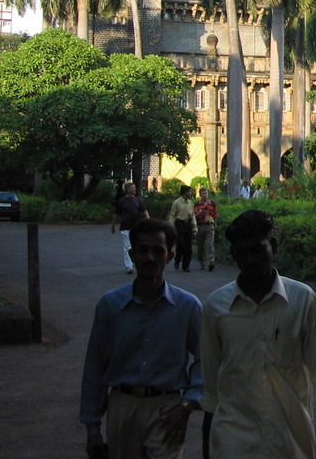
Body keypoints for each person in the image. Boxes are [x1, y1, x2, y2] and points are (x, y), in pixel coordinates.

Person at [201, 209, 316, 459]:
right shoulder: (216, 307)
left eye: (257, 250)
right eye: (241, 253)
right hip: (233, 442)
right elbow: (212, 386)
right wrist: (207, 441)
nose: (250, 260)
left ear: (274, 247)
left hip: (290, 441)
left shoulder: (302, 300)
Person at [80, 218, 203, 459]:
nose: (150, 258)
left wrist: (188, 404)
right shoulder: (110, 306)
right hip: (122, 406)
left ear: (169, 256)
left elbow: (204, 360)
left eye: (158, 250)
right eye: (143, 250)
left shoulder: (187, 307)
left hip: (167, 407)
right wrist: (92, 428)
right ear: (132, 254)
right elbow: (95, 367)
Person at [111, 183, 148, 274]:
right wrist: (113, 225)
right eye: (132, 187)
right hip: (125, 227)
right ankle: (129, 266)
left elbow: (144, 211)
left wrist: (148, 221)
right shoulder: (122, 202)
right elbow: (116, 214)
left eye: (135, 187)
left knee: (138, 246)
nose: (134, 189)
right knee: (127, 247)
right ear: (127, 190)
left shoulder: (138, 200)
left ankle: (138, 263)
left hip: (137, 227)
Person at [166, 185, 197, 272]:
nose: (190, 193)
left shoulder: (190, 203)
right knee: (181, 244)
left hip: (187, 224)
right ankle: (177, 260)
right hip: (179, 224)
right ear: (184, 192)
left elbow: (193, 215)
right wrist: (171, 227)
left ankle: (186, 265)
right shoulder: (176, 202)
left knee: (188, 246)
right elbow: (172, 215)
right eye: (189, 191)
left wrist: (194, 227)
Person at [194, 187, 218, 272]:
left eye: (206, 193)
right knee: (201, 246)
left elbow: (215, 215)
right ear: (200, 195)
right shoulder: (197, 205)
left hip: (209, 226)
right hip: (200, 226)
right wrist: (200, 212)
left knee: (209, 245)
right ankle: (202, 261)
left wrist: (215, 224)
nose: (205, 195)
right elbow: (194, 217)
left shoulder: (212, 204)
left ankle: (211, 262)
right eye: (203, 194)